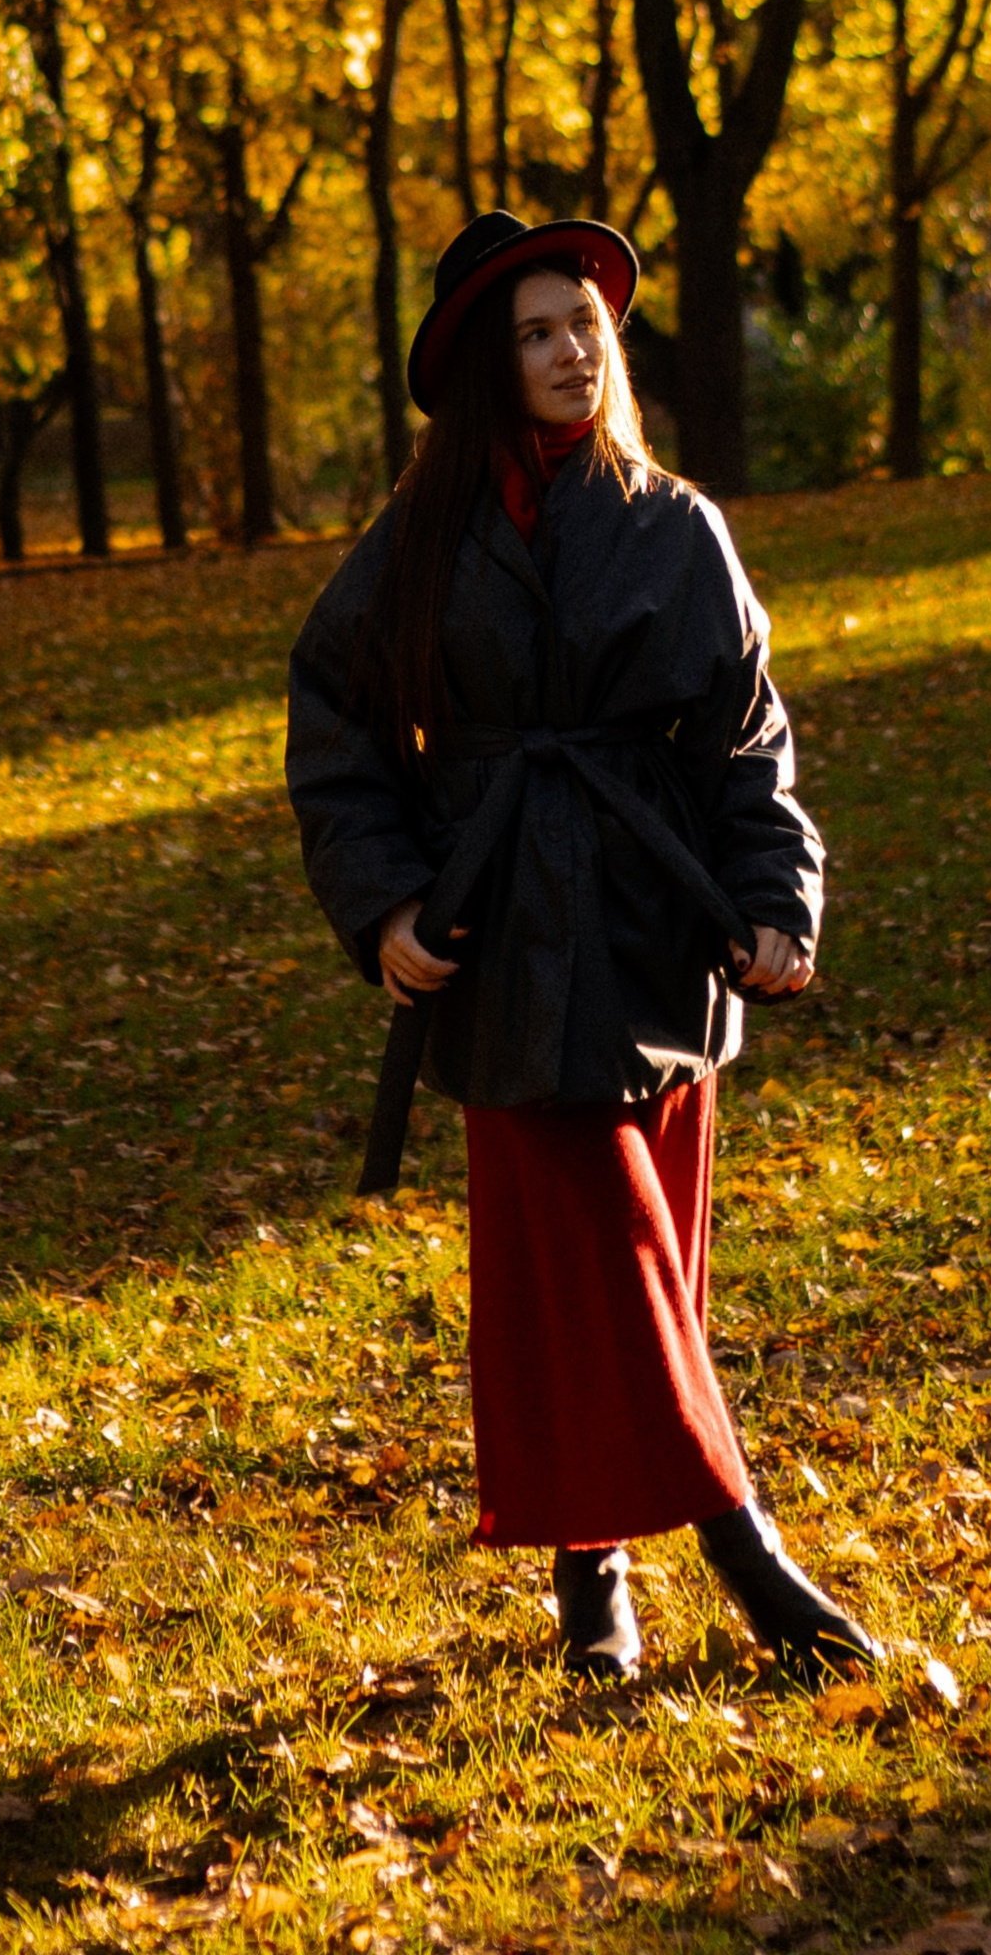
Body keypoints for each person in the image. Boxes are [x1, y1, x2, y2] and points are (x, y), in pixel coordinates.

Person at [285, 209, 880, 1685]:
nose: (569, 349)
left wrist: (776, 897)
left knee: (635, 1272)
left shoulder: (674, 525)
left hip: (654, 926)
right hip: (499, 940)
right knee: (593, 1257)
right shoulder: (420, 539)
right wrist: (388, 904)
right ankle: (746, 1547)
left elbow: (748, 735)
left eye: (585, 326)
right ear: (493, 367)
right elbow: (337, 716)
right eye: (536, 332)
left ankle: (587, 1580)